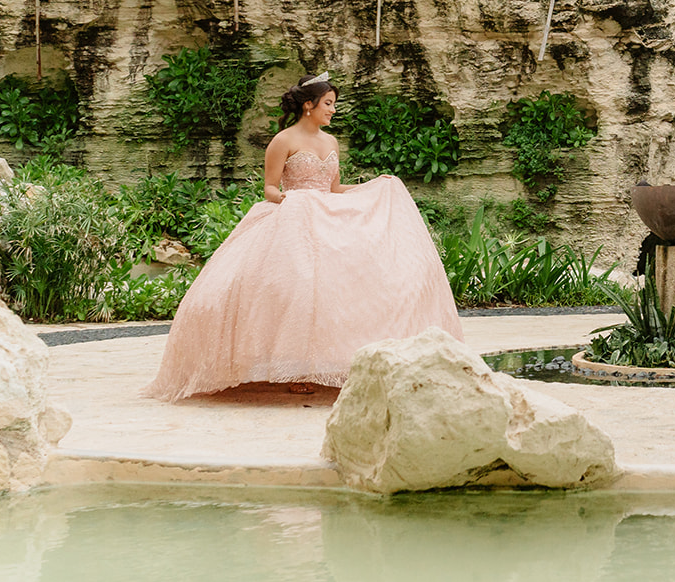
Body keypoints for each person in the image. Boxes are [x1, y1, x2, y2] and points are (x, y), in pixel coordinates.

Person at [146, 72, 464, 401]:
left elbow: (335, 188)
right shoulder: (283, 140)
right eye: (328, 104)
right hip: (293, 218)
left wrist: (375, 186)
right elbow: (270, 188)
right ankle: (295, 367)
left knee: (338, 290)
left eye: (334, 105)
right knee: (296, 288)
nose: (333, 110)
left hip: (326, 219)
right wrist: (291, 201)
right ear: (309, 105)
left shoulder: (331, 142)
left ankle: (336, 361)